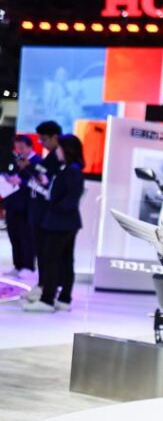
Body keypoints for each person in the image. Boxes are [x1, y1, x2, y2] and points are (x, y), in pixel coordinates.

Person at [23, 134, 84, 313]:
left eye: (59, 148)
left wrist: (51, 204)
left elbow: (70, 199)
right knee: (64, 261)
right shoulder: (69, 169)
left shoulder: (72, 170)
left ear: (67, 150)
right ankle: (63, 299)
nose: (56, 151)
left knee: (51, 260)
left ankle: (47, 299)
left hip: (60, 223)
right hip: (63, 222)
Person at [21, 121, 63, 301]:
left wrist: (31, 168)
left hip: (46, 211)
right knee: (41, 250)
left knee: (46, 252)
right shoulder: (51, 156)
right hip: (39, 208)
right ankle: (43, 285)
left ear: (55, 137)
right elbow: (42, 174)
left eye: (44, 139)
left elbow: (46, 177)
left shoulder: (58, 157)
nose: (42, 143)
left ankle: (46, 287)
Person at [3, 135, 41, 279]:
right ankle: (17, 265)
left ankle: (28, 266)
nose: (19, 151)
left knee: (26, 236)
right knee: (14, 235)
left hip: (27, 205)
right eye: (17, 148)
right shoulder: (16, 160)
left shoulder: (38, 162)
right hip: (12, 203)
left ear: (30, 147)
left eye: (22, 148)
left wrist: (21, 181)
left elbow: (39, 183)